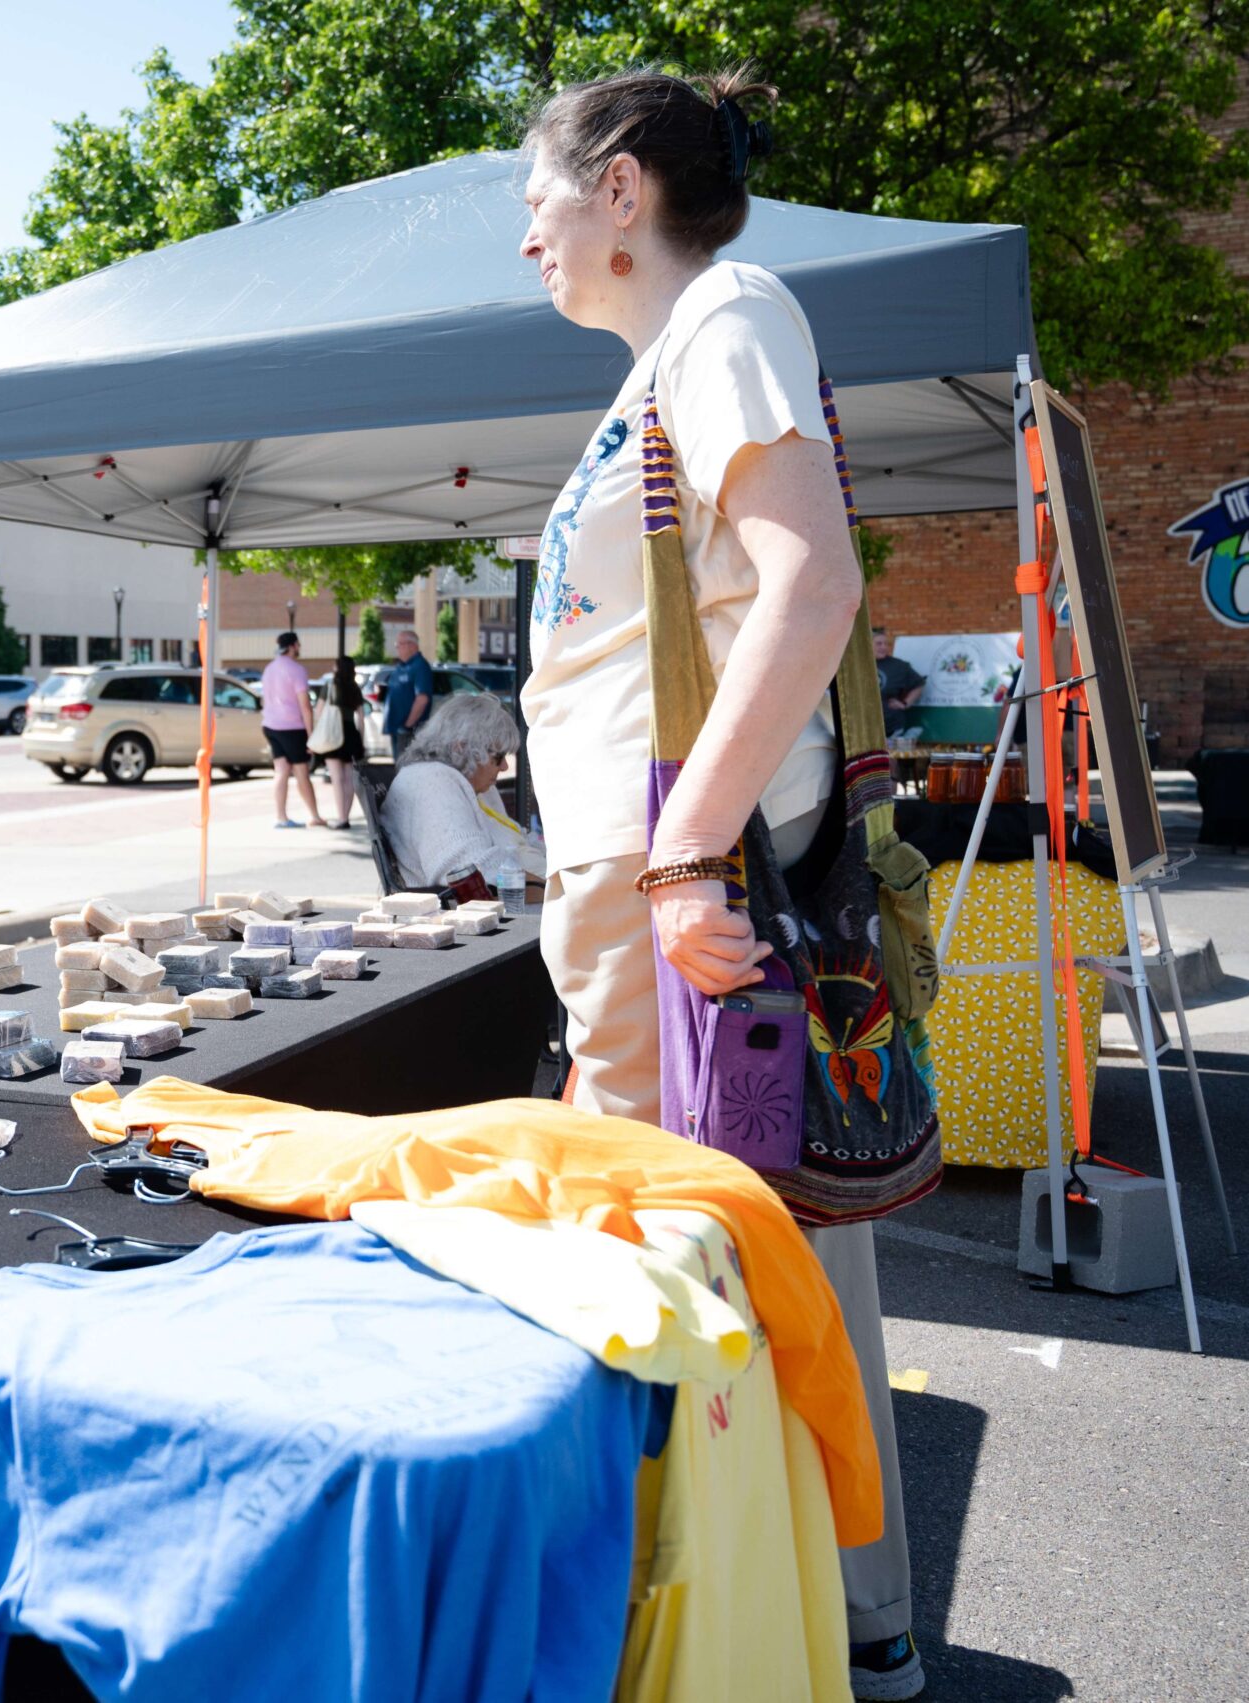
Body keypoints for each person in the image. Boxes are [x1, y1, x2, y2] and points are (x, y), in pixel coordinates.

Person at [519, 69, 920, 1700]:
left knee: (686, 1258)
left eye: (537, 198)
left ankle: (732, 1637)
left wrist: (683, 851)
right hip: (659, 865)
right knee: (759, 1247)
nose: (527, 235)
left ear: (621, 189)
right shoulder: (677, 354)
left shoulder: (724, 312)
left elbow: (810, 580)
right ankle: (825, 1617)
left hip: (678, 870)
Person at [379, 694, 546, 892]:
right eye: (498, 757)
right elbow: (469, 873)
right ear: (462, 748)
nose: (504, 766)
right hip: (498, 910)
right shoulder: (432, 782)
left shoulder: (473, 784)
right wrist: (553, 892)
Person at [257, 632, 329, 829]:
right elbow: (305, 705)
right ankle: (314, 815)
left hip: (270, 724)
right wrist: (310, 734)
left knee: (280, 770)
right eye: (298, 644)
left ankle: (280, 817)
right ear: (293, 646)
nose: (299, 648)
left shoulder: (269, 669)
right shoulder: (296, 670)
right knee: (301, 772)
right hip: (291, 726)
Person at [323, 654, 368, 829]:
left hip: (334, 733)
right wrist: (361, 740)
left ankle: (341, 818)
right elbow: (362, 717)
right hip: (351, 733)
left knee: (337, 778)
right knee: (349, 778)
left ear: (338, 667)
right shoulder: (355, 687)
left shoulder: (330, 685)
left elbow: (319, 710)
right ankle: (346, 816)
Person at [380, 629, 433, 759]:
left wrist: (408, 725)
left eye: (400, 644)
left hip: (408, 731)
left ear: (412, 645)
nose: (397, 648)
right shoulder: (401, 666)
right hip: (396, 728)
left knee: (405, 768)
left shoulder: (420, 666)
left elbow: (422, 698)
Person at [871, 627, 925, 737]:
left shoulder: (899, 666)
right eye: (879, 644)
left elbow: (919, 684)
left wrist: (905, 703)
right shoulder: (858, 666)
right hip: (864, 727)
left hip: (892, 727)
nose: (883, 647)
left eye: (886, 644)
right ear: (868, 644)